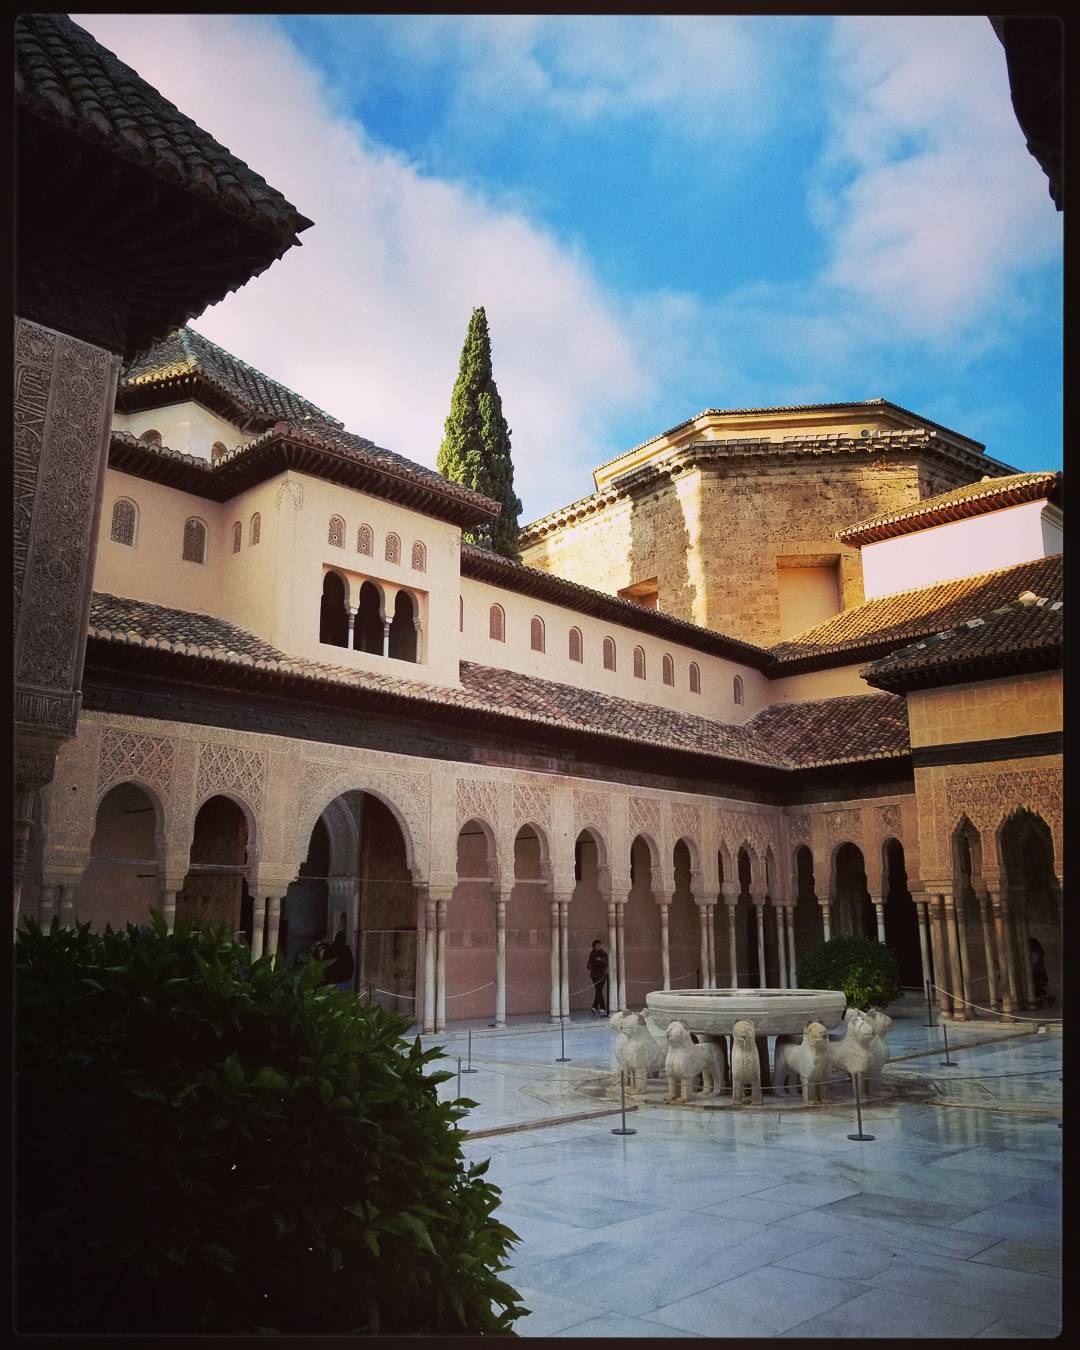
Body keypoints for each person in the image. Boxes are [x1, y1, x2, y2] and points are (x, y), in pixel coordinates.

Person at [587, 939, 609, 1016]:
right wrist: (589, 965)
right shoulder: (592, 953)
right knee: (598, 990)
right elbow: (588, 963)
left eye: (599, 945)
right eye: (597, 945)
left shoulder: (603, 953)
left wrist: (601, 960)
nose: (598, 946)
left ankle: (600, 1007)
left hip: (602, 975)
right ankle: (596, 1007)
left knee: (599, 990)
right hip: (594, 975)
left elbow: (606, 962)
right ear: (594, 946)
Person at [1030, 936, 1052, 1007]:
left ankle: (1044, 998)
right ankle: (1046, 997)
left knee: (1035, 987)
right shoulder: (1036, 951)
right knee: (1036, 988)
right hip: (1039, 973)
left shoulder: (1036, 952)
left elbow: (1034, 961)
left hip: (1039, 974)